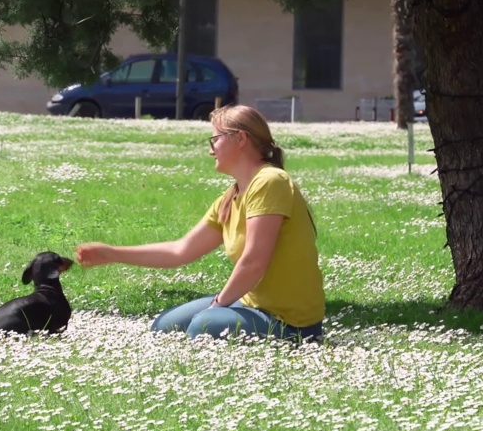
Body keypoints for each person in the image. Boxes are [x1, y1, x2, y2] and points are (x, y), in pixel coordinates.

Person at [76, 105, 325, 341]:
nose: (210, 149)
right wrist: (112, 253)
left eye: (215, 139)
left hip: (290, 323)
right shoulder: (230, 197)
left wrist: (217, 306)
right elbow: (180, 251)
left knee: (202, 326)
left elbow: (253, 262)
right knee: (165, 326)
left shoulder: (271, 181)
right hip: (253, 305)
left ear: (240, 139)